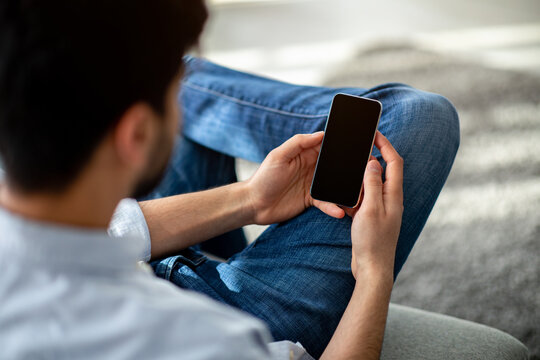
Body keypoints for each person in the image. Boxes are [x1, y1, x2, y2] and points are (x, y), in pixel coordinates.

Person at [0, 0, 459, 359]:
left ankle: (167, 77)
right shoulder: (211, 342)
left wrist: (251, 199)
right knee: (419, 116)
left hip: (139, 260)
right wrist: (374, 273)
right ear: (135, 135)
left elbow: (106, 232)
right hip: (217, 308)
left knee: (162, 74)